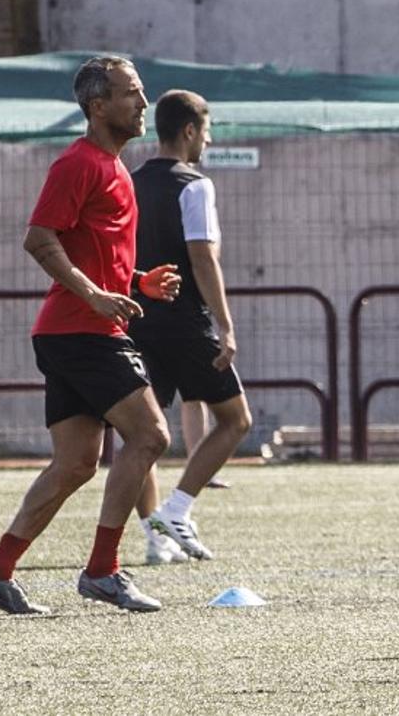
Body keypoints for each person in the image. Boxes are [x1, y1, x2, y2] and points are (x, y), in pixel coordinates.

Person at [0, 55, 181, 614]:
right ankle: (103, 571)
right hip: (84, 330)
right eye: (131, 92)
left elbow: (91, 252)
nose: (143, 102)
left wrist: (137, 282)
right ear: (98, 105)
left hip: (73, 330)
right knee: (151, 436)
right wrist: (95, 296)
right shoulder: (78, 164)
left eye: (141, 91)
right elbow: (40, 239)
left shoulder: (114, 169)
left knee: (77, 464)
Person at [128, 89, 253, 564]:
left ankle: (155, 539)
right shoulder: (194, 184)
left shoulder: (131, 181)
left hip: (139, 317)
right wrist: (225, 324)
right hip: (184, 319)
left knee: (144, 435)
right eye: (208, 129)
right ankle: (178, 509)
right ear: (189, 131)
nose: (209, 138)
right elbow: (203, 258)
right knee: (236, 419)